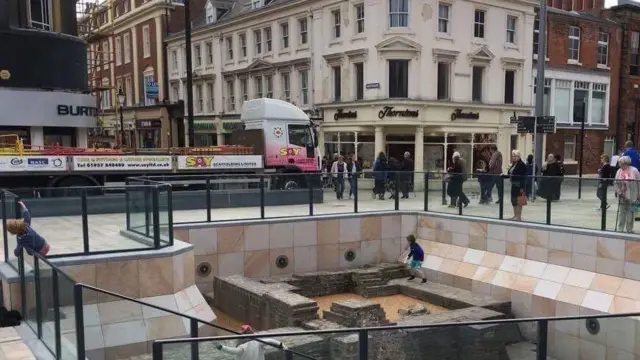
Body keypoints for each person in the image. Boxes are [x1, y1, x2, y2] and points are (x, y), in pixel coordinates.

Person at [216, 324, 287, 360]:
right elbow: (270, 341)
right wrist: (281, 345)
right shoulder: (258, 342)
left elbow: (234, 351)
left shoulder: (243, 346)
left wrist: (220, 347)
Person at [614, 156, 640, 233]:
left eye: (621, 163)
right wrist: (618, 192)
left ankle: (629, 229)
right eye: (619, 163)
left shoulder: (634, 170)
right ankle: (620, 228)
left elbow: (639, 183)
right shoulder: (619, 171)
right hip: (622, 195)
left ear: (626, 163)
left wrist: (639, 195)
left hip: (633, 195)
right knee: (621, 213)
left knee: (631, 213)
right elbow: (615, 182)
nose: (620, 165)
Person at [507, 150, 527, 221]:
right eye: (513, 156)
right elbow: (509, 173)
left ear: (519, 156)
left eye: (515, 156)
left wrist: (522, 188)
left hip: (519, 185)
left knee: (520, 201)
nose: (514, 158)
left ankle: (518, 216)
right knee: (514, 200)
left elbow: (522, 177)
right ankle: (515, 215)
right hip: (514, 184)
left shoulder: (522, 165)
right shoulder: (514, 164)